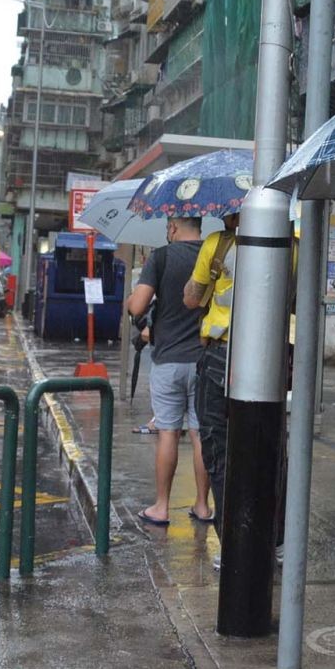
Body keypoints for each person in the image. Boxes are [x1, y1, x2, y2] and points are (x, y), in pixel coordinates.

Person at [126, 217, 212, 528]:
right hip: (204, 359)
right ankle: (203, 506)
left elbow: (138, 307)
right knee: (201, 432)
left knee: (168, 432)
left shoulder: (161, 257)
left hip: (168, 359)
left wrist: (131, 302)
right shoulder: (211, 254)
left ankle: (162, 507)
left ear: (173, 226)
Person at [184, 211, 239, 529]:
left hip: (221, 353)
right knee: (265, 447)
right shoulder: (294, 246)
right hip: (274, 356)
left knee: (216, 445)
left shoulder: (217, 244)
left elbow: (191, 298)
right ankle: (275, 540)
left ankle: (229, 534)